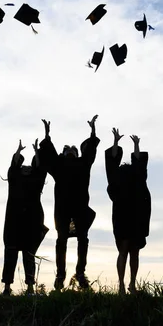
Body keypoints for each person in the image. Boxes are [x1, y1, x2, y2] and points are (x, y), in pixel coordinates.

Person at [39, 115, 100, 290]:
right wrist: (47, 134)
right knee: (61, 240)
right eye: (67, 151)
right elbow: (49, 154)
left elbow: (90, 151)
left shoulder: (83, 164)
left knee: (83, 239)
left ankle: (80, 274)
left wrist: (93, 130)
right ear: (63, 154)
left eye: (74, 150)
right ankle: (60, 275)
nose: (71, 152)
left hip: (80, 208)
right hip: (63, 210)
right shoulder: (58, 166)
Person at [105, 128, 151, 295]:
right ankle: (122, 285)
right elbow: (111, 163)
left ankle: (131, 284)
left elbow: (138, 162)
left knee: (134, 252)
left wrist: (136, 145)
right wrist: (116, 142)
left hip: (137, 215)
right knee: (124, 250)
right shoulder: (117, 177)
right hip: (122, 215)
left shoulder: (137, 177)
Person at [1, 139, 49, 296]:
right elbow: (13, 166)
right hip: (13, 222)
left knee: (29, 255)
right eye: (24, 166)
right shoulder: (14, 180)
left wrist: (37, 153)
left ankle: (29, 288)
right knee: (10, 254)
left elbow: (41, 168)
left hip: (32, 221)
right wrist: (18, 151)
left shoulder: (37, 182)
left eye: (30, 167)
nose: (27, 167)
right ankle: (7, 287)